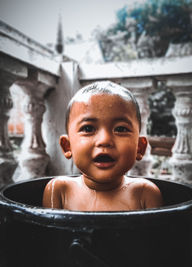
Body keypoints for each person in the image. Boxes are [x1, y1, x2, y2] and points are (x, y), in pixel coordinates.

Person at [43, 81, 163, 211]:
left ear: (139, 147)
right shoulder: (60, 191)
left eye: (121, 129)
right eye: (88, 128)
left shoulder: (145, 194)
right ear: (67, 146)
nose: (104, 140)